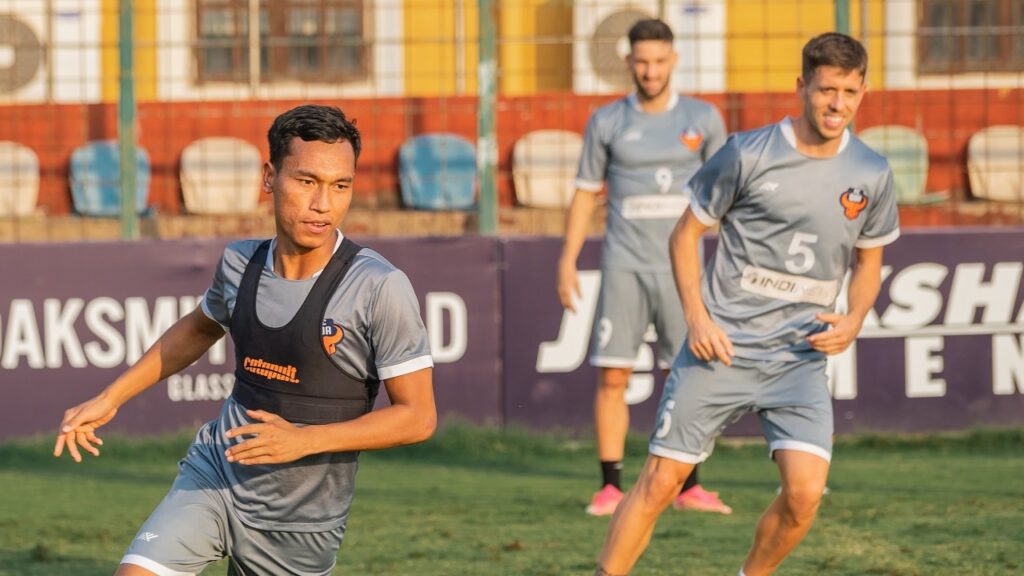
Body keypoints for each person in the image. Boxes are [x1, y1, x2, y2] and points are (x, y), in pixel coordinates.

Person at [53, 104, 436, 575]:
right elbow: (198, 328)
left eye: (341, 186)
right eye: (306, 181)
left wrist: (302, 441)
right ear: (270, 177)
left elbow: (418, 418)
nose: (323, 204)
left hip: (299, 525)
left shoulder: (379, 286)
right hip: (215, 475)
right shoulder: (239, 263)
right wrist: (111, 397)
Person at [595, 32, 900, 575]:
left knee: (805, 495)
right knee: (662, 482)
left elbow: (869, 262)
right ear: (801, 86)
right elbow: (684, 235)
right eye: (827, 90)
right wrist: (696, 317)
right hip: (722, 350)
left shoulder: (872, 172)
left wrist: (854, 319)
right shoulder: (747, 153)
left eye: (850, 93)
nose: (837, 105)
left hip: (799, 360)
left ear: (864, 91)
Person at [557, 18, 731, 517]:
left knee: (690, 377)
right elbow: (585, 193)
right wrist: (567, 262)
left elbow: (728, 194)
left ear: (673, 60)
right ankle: (610, 487)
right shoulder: (607, 121)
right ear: (629, 61)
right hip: (624, 268)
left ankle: (689, 485)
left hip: (685, 276)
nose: (651, 71)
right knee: (613, 377)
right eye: (642, 61)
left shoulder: (704, 119)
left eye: (659, 61)